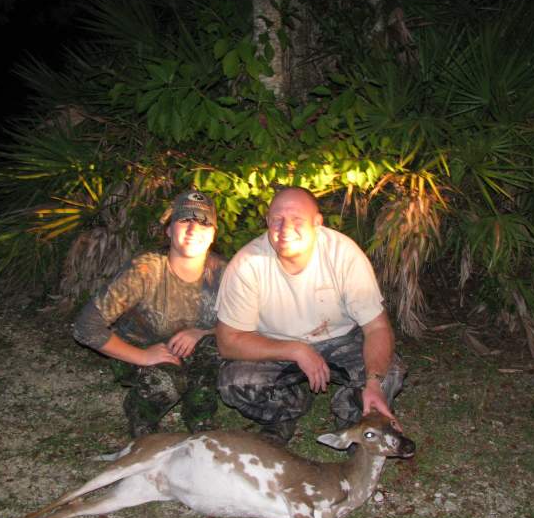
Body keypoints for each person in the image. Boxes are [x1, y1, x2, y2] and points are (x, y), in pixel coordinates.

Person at [214, 186, 406, 444]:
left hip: (340, 339)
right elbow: (228, 341)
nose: (285, 229)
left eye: (297, 220)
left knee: (389, 372)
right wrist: (295, 350)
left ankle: (353, 418)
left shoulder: (343, 254)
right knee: (233, 383)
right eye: (277, 220)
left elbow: (377, 328)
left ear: (317, 223)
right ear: (267, 222)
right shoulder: (247, 263)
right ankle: (285, 413)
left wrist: (373, 382)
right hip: (278, 345)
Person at [74, 190, 226, 437]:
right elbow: (85, 327)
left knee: (216, 345)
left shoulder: (223, 272)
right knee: (166, 382)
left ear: (212, 235)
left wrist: (203, 331)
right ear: (169, 230)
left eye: (203, 222)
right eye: (184, 220)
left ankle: (200, 416)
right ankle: (141, 414)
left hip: (188, 351)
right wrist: (143, 356)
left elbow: (247, 325)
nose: (193, 229)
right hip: (141, 352)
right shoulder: (145, 270)